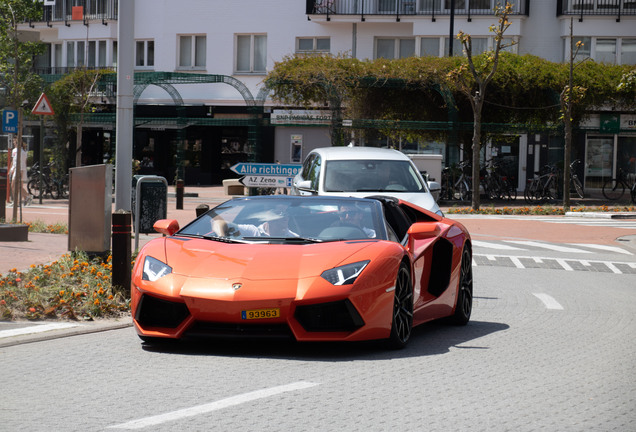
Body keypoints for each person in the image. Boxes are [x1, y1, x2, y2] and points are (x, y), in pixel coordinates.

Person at [8, 138, 31, 207]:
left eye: (14, 141)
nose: (13, 143)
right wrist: (10, 169)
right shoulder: (14, 150)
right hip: (15, 170)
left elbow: (23, 163)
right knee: (18, 186)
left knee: (14, 185)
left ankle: (17, 201)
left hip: (20, 170)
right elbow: (13, 161)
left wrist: (20, 171)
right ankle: (26, 197)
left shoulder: (22, 152)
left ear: (17, 143)